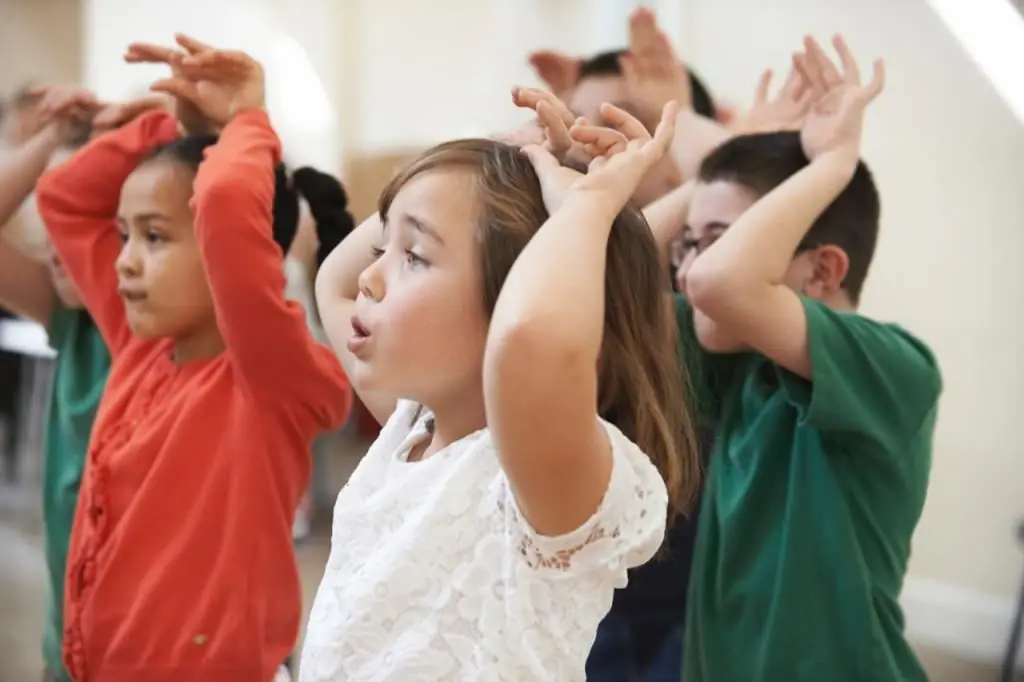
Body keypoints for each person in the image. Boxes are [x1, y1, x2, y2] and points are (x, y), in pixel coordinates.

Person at [301, 99, 701, 680]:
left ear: (509, 298)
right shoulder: (416, 425)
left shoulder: (542, 481)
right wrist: (499, 153)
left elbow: (531, 344)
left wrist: (586, 208)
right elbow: (334, 282)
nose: (371, 275)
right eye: (381, 247)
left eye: (412, 255)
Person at [33, 35, 351, 681]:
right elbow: (64, 199)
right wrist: (169, 128)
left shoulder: (271, 378)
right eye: (124, 236)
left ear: (225, 251)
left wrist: (245, 123)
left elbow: (229, 208)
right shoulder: (140, 348)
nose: (123, 260)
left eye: (154, 236)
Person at [676, 36, 941, 682]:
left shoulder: (901, 367)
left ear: (823, 269)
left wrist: (834, 165)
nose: (687, 270)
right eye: (687, 245)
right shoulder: (736, 361)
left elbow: (720, 284)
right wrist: (721, 160)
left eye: (715, 242)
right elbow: (614, 284)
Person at [0, 86, 106, 682]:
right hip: (68, 647)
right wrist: (51, 139)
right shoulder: (73, 320)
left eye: (88, 222)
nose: (59, 242)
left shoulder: (176, 338)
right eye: (53, 219)